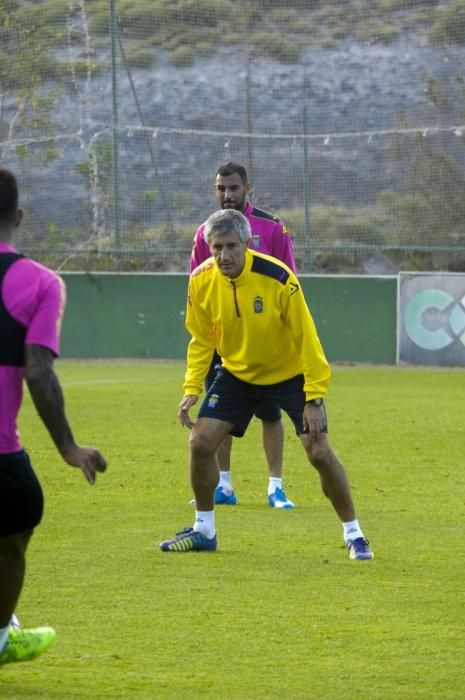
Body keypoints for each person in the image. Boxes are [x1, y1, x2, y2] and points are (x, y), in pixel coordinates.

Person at [161, 208, 373, 560]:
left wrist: (315, 397)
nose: (223, 256)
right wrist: (191, 389)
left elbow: (307, 338)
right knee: (200, 443)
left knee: (319, 451)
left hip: (290, 375)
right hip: (236, 375)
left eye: (231, 246)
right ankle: (204, 529)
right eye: (216, 247)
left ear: (247, 243)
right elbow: (200, 340)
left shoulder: (278, 277)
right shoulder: (200, 280)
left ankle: (355, 534)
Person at [0, 168, 107, 666]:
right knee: (20, 513)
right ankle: (2, 638)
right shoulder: (39, 282)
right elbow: (38, 372)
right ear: (19, 217)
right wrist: (68, 446)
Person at [190, 161, 296, 509]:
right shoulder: (207, 231)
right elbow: (197, 283)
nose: (227, 194)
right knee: (217, 416)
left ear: (247, 187)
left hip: (265, 344)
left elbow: (290, 281)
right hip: (224, 341)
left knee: (270, 414)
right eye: (221, 188)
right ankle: (224, 485)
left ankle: (275, 487)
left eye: (233, 187)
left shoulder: (272, 227)